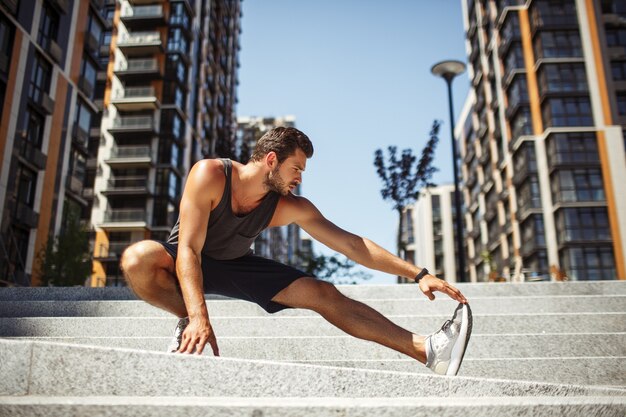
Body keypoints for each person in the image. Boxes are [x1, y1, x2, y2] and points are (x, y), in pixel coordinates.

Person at [121, 127, 472, 376]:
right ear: (271, 159)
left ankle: (428, 350)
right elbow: (189, 250)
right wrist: (197, 315)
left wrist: (419, 275)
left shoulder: (286, 205)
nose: (299, 179)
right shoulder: (211, 174)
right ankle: (186, 323)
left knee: (322, 292)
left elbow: (352, 244)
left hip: (236, 265)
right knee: (138, 258)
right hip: (186, 256)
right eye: (296, 169)